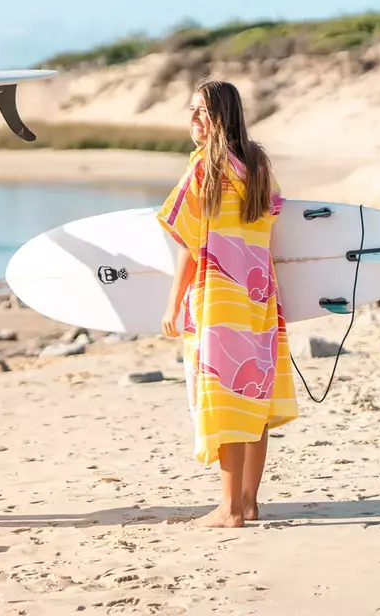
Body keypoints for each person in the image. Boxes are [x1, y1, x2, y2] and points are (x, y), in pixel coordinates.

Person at [157, 79, 299, 528]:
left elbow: (189, 244)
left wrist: (173, 304)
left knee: (223, 398)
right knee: (251, 399)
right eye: (191, 110)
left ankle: (229, 509)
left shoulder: (204, 168)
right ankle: (250, 503)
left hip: (220, 299)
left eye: (201, 111)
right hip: (258, 298)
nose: (193, 119)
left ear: (219, 117)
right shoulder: (257, 165)